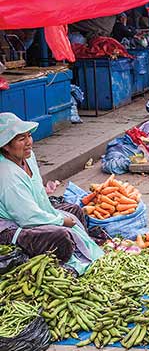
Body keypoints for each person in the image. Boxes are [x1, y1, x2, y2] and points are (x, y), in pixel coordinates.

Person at [0, 113, 104, 275]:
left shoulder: (28, 156)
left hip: (31, 213)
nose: (29, 142)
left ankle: (80, 249)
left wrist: (57, 215)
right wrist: (60, 221)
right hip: (12, 227)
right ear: (5, 145)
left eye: (29, 136)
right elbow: (27, 218)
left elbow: (38, 194)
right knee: (60, 237)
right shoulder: (6, 174)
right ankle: (70, 262)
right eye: (21, 139)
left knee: (74, 210)